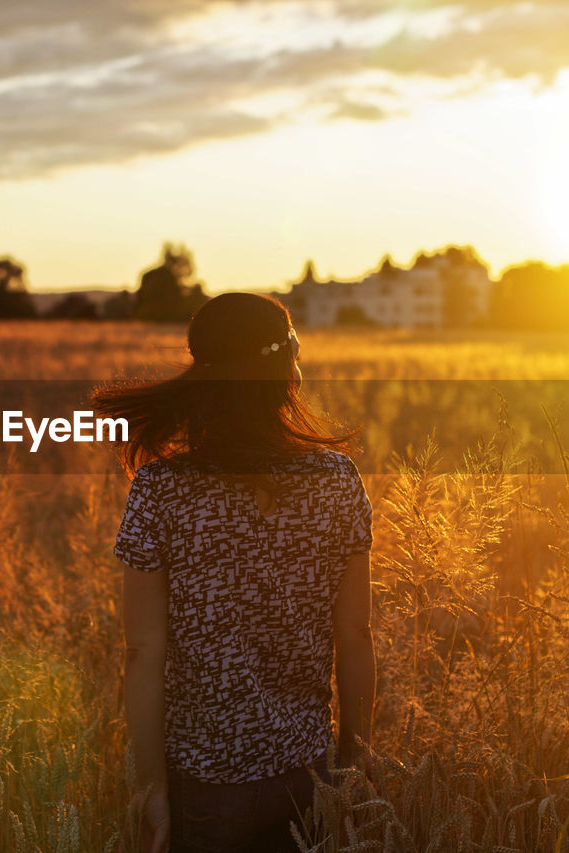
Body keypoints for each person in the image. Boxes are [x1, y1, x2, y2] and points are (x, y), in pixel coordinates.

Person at [92, 292, 376, 853]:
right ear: (286, 371)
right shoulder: (339, 480)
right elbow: (356, 635)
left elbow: (142, 652)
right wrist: (354, 763)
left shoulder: (160, 489)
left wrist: (150, 789)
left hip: (204, 781)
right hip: (307, 770)